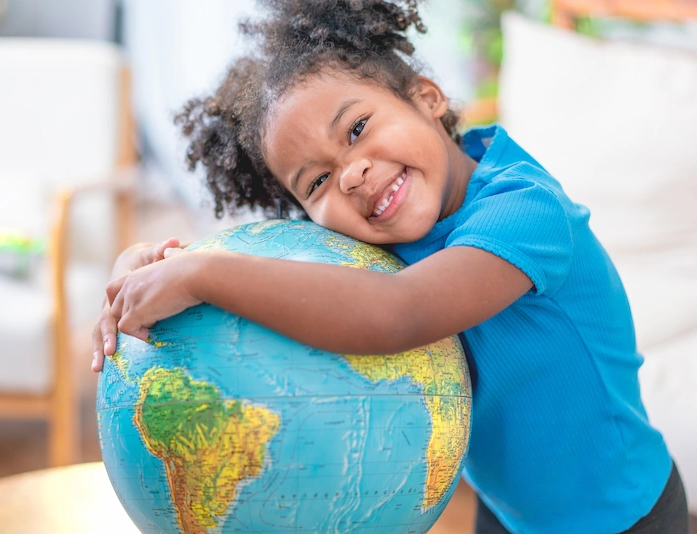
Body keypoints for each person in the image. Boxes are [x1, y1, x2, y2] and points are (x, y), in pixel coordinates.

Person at [91, 1, 689, 532]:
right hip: (509, 512)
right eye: (318, 180)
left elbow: (397, 313)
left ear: (427, 98)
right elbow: (270, 271)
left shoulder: (527, 214)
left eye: (356, 128)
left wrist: (199, 276)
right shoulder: (382, 225)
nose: (350, 173)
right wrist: (142, 269)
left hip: (623, 515)